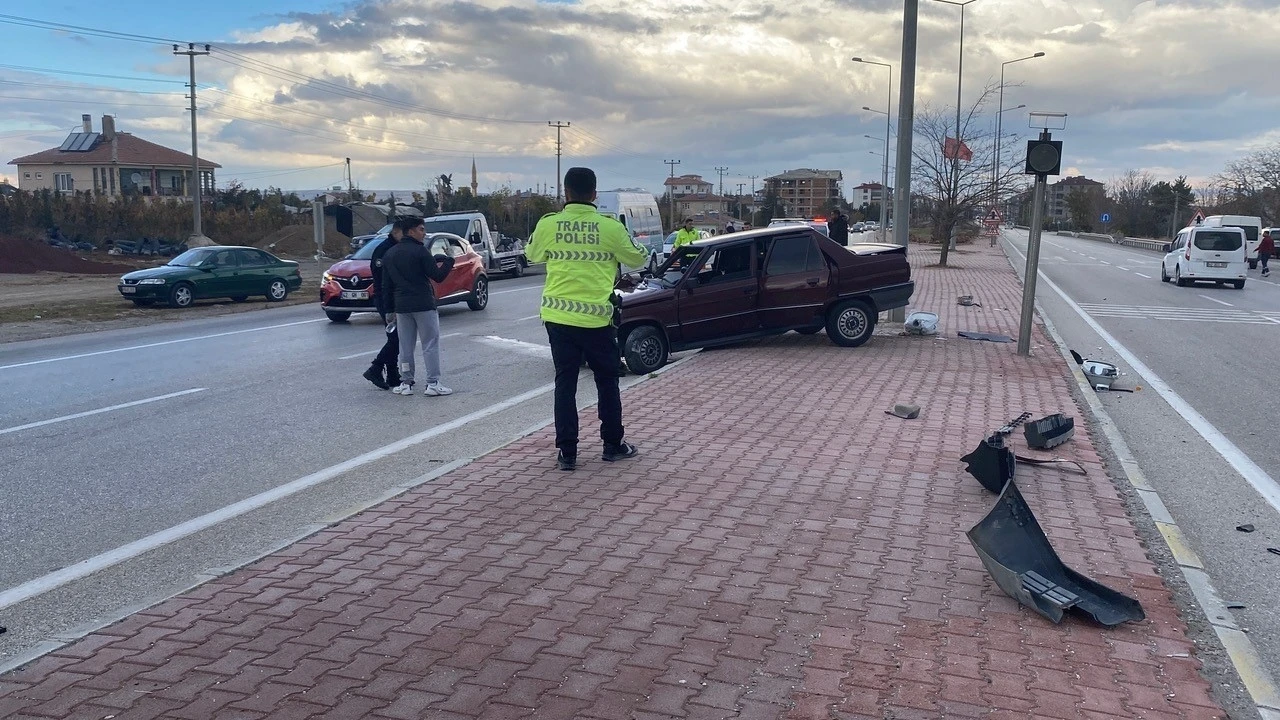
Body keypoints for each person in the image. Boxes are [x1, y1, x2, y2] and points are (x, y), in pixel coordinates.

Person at [527, 167, 649, 471]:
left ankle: (567, 453)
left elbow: (532, 254)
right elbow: (638, 258)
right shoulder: (609, 227)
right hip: (596, 321)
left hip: (558, 318)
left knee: (565, 383)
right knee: (607, 382)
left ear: (566, 193)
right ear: (595, 194)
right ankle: (612, 445)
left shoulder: (549, 224)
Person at [382, 217, 455, 396]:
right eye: (421, 229)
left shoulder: (390, 254)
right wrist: (449, 260)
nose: (424, 233)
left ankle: (406, 382)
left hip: (401, 306)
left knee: (405, 346)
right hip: (423, 304)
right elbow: (437, 276)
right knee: (430, 343)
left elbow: (386, 285)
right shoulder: (420, 251)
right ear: (411, 231)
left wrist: (389, 309)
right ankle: (433, 383)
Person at [362, 221, 404, 390]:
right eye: (403, 233)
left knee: (396, 338)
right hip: (386, 300)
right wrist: (389, 307)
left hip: (394, 299)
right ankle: (376, 367)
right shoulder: (384, 249)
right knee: (396, 337)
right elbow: (381, 280)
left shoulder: (395, 247)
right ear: (395, 231)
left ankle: (393, 375)